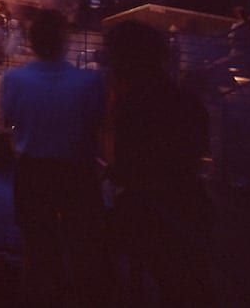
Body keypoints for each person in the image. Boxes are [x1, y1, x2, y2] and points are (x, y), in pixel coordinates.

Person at [0, 8, 105, 304]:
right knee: (81, 247)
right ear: (64, 42)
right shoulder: (89, 82)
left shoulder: (13, 79)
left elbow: (9, 122)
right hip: (77, 172)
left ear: (31, 42)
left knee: (37, 247)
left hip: (33, 171)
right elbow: (95, 126)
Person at [102, 19, 212, 306]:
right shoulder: (188, 102)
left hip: (148, 216)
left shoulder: (130, 108)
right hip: (189, 207)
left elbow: (125, 171)